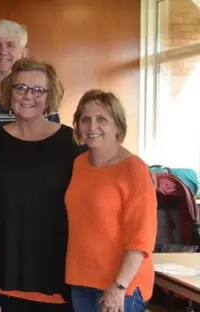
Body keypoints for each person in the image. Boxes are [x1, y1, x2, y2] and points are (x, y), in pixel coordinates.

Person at [0, 58, 84, 312]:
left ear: (49, 96)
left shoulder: (71, 142)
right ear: (10, 92)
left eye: (38, 90)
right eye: (21, 88)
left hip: (56, 270)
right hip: (7, 270)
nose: (28, 96)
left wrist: (138, 167)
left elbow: (107, 164)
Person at [66, 90, 157, 312]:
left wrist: (119, 286)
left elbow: (141, 238)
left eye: (102, 119)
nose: (92, 126)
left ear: (118, 126)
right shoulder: (79, 163)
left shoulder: (134, 169)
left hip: (119, 286)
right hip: (81, 281)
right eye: (85, 119)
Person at [0, 19, 59, 130]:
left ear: (24, 53)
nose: (2, 51)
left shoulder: (40, 94)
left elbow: (54, 137)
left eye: (10, 45)